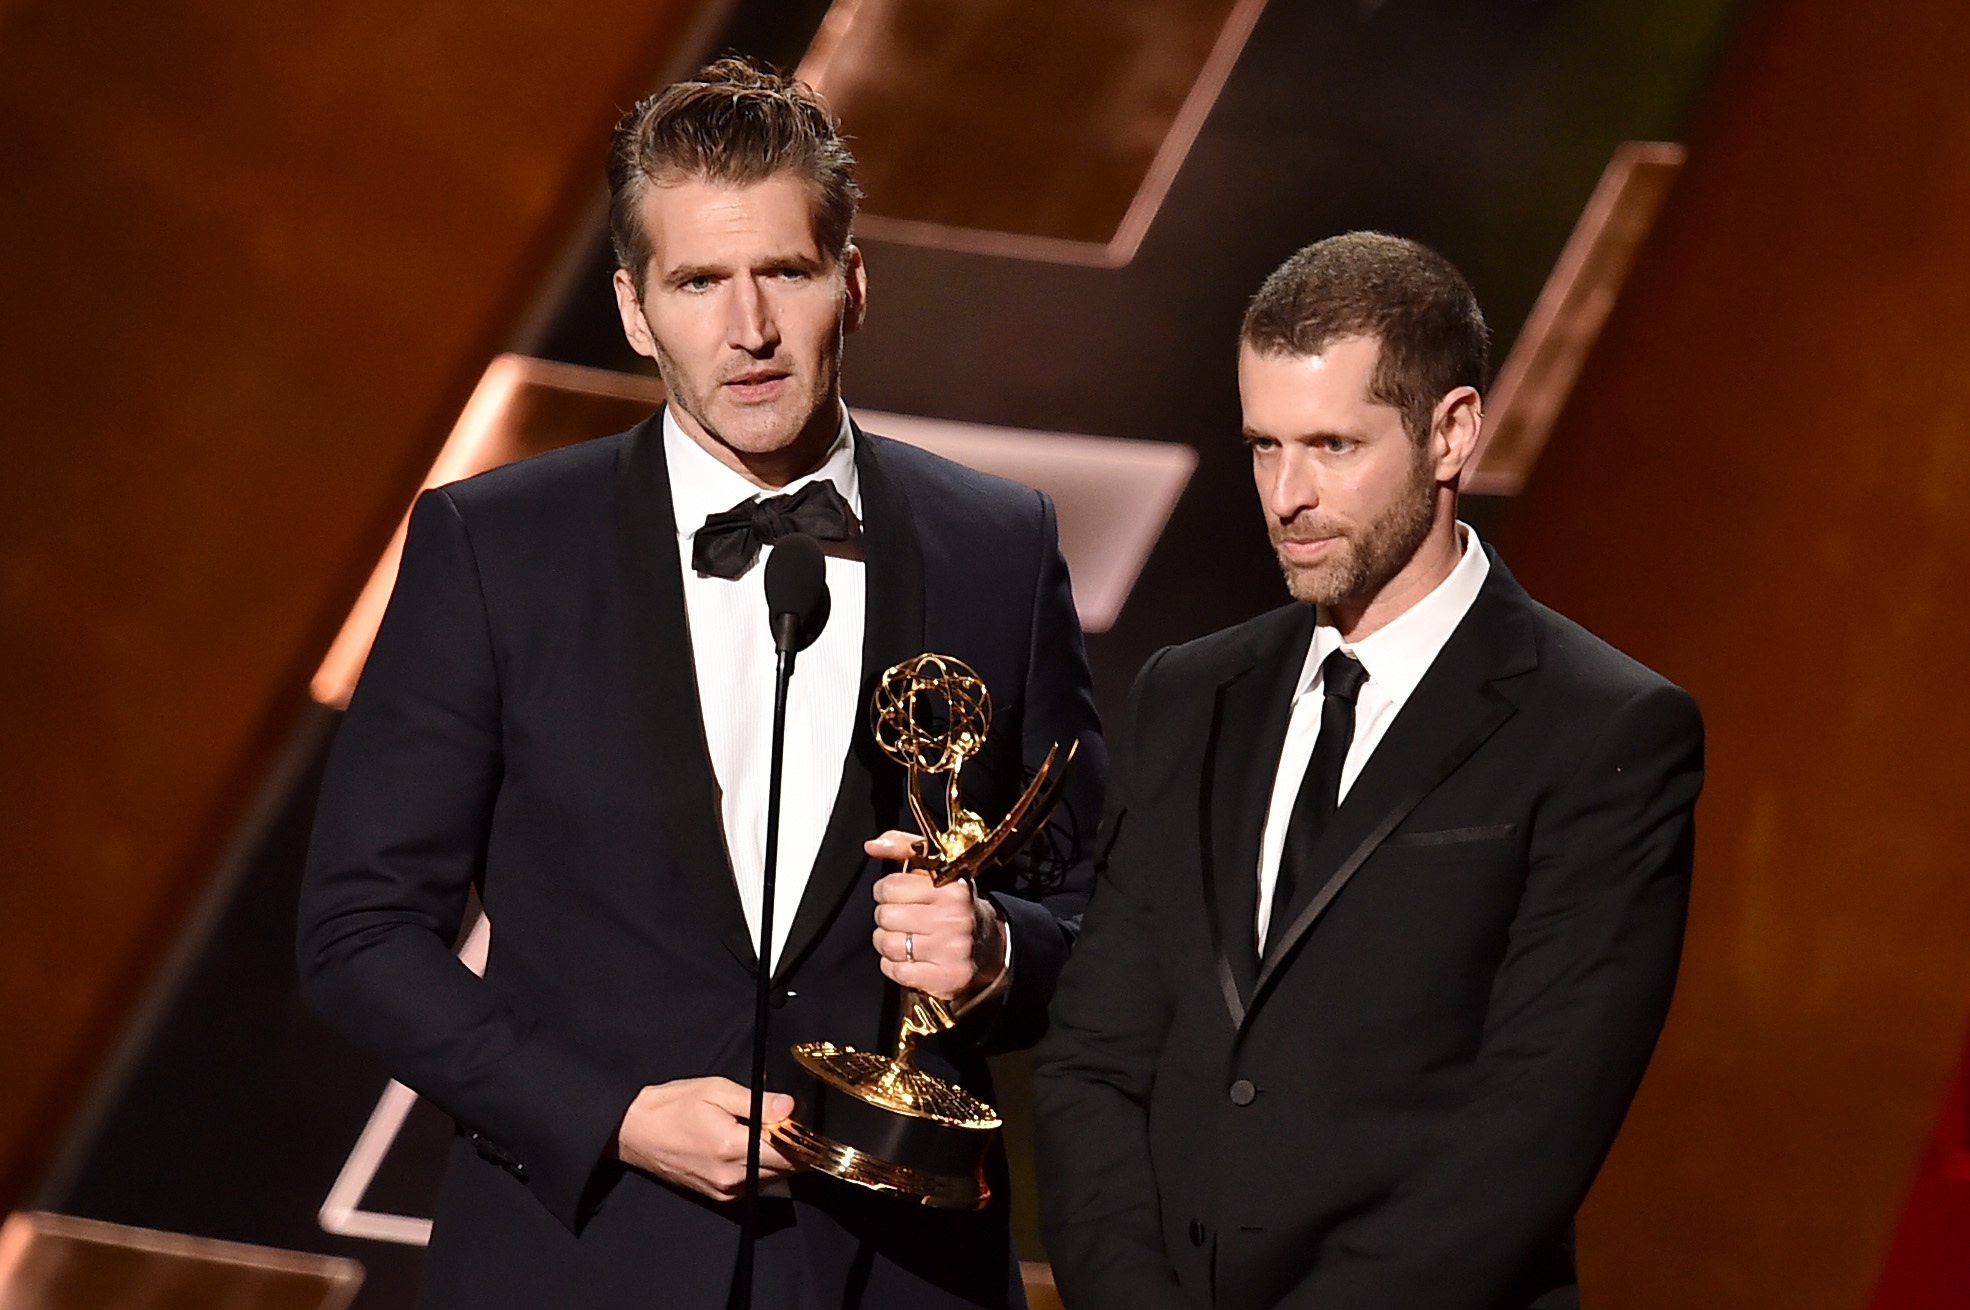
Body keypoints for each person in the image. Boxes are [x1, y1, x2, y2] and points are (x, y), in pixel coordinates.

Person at [298, 58, 1103, 1310]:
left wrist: (998, 949)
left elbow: (1103, 916)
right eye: (697, 281)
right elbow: (358, 934)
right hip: (576, 1253)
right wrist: (610, 1113)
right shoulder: (495, 547)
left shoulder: (994, 544)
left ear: (851, 283)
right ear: (633, 308)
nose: (749, 330)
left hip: (893, 1266)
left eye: (784, 271)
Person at [1033, 232, 1702, 1310]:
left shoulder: (1603, 729)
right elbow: (1096, 1059)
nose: (1285, 494)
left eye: (1332, 446)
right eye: (1262, 445)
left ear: (1451, 432)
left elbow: (1525, 1130)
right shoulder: (1188, 694)